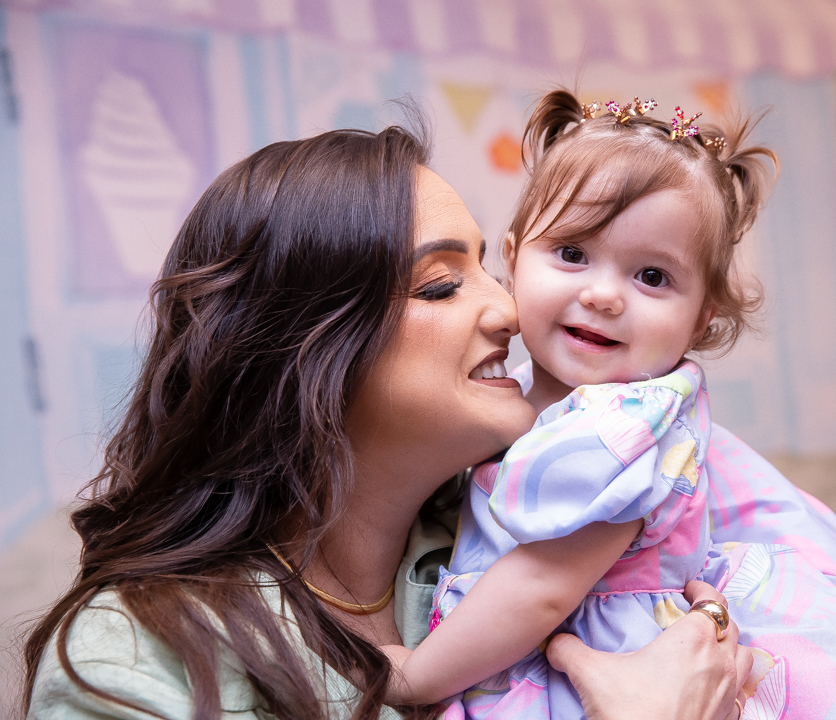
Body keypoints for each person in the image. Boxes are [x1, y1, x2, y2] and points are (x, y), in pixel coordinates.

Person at [22, 126, 751, 720]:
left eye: (489, 270)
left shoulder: (514, 510)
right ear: (308, 346)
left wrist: (709, 628)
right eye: (441, 286)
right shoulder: (134, 658)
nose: (505, 312)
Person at [383, 91, 836, 720]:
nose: (603, 295)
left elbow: (542, 589)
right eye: (572, 254)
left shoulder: (626, 430)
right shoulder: (508, 392)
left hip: (601, 668)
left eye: (652, 277)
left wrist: (416, 678)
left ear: (701, 319)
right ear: (515, 260)